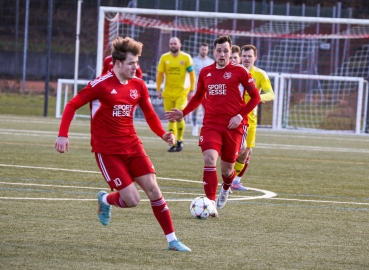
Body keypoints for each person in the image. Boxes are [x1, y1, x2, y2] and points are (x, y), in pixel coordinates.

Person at [54, 36, 191, 252]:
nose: (135, 68)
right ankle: (106, 199)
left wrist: (163, 134)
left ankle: (172, 240)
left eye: (137, 63)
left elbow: (149, 114)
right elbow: (71, 105)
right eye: (131, 63)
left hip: (133, 146)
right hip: (107, 151)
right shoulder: (100, 86)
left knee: (154, 190)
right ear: (118, 64)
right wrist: (63, 135)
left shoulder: (138, 85)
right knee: (133, 199)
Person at [165, 35, 260, 214]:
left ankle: (226, 187)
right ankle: (210, 204)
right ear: (214, 52)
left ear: (230, 52)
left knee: (227, 169)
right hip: (211, 124)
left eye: (226, 51)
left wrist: (240, 116)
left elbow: (255, 98)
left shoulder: (240, 72)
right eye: (219, 50)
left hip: (233, 126)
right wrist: (183, 112)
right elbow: (198, 96)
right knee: (209, 159)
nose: (222, 54)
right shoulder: (206, 72)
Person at [231, 44, 275, 191]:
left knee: (246, 152)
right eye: (244, 56)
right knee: (234, 151)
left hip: (251, 119)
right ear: (240, 57)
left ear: (255, 58)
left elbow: (271, 93)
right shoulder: (233, 72)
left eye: (250, 56)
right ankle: (228, 180)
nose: (247, 59)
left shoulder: (260, 75)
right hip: (234, 117)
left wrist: (259, 97)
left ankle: (234, 180)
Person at [156, 37, 196, 152]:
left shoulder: (186, 57)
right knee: (170, 119)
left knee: (178, 116)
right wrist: (158, 89)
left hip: (181, 92)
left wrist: (192, 90)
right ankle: (172, 142)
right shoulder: (164, 58)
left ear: (180, 44)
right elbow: (160, 75)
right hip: (168, 92)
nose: (173, 45)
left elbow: (192, 75)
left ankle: (180, 141)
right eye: (171, 44)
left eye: (175, 43)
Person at [191, 42, 214, 136]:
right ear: (199, 49)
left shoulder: (211, 62)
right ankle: (194, 127)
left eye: (205, 49)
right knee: (194, 109)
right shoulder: (193, 61)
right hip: (196, 90)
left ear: (208, 50)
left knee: (208, 110)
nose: (203, 51)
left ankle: (205, 127)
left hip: (207, 91)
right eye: (202, 49)